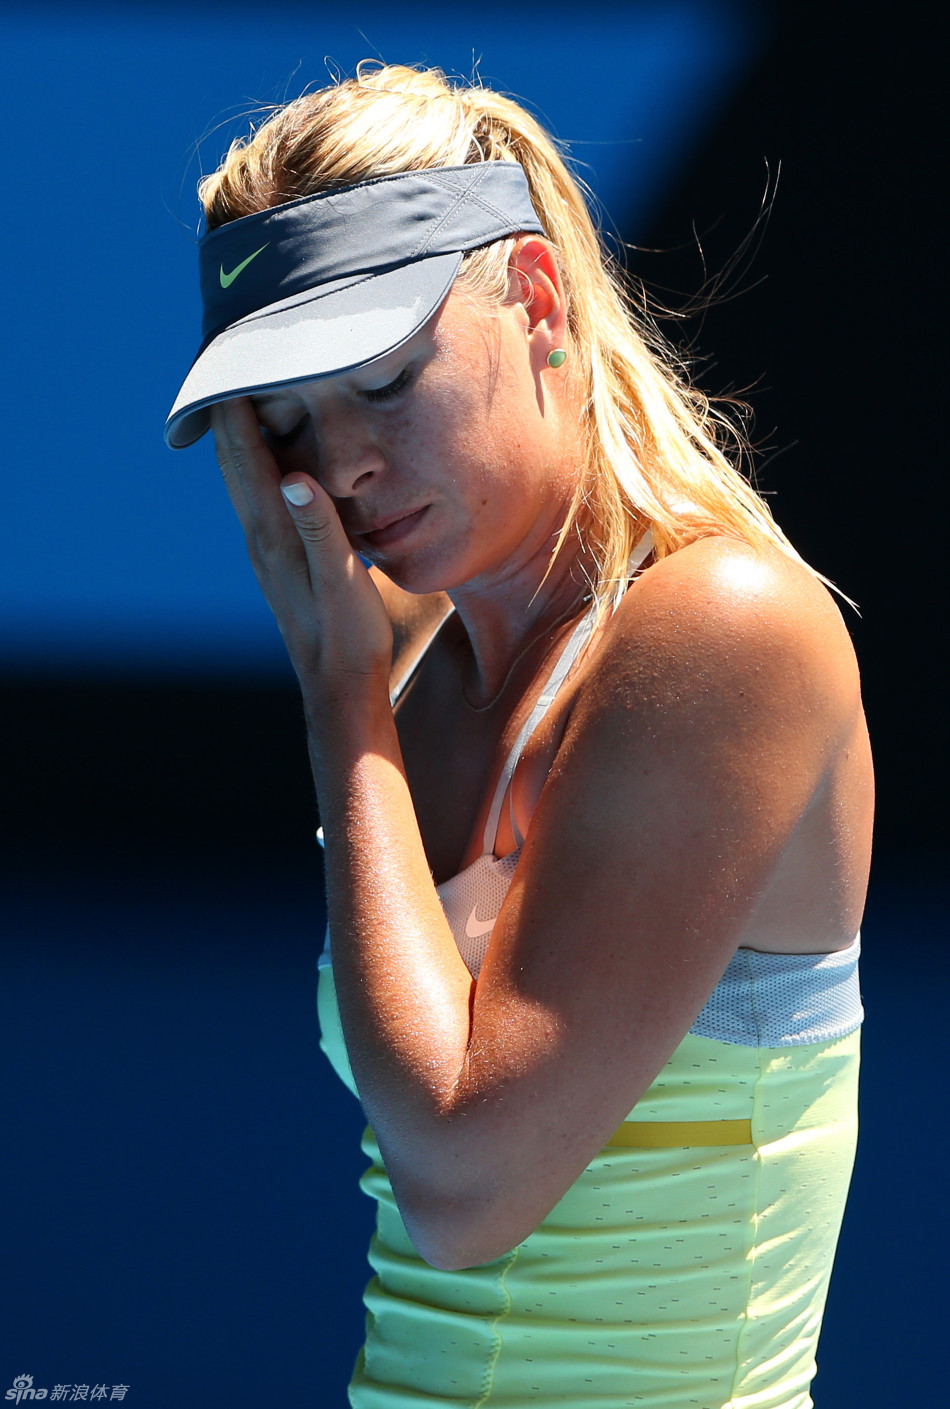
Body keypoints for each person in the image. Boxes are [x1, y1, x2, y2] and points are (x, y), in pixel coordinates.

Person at [165, 63, 872, 1409]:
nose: (342, 465)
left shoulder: (723, 625)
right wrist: (361, 697)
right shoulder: (422, 688)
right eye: (287, 423)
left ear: (538, 300)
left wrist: (337, 698)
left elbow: (464, 1182)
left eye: (380, 375)